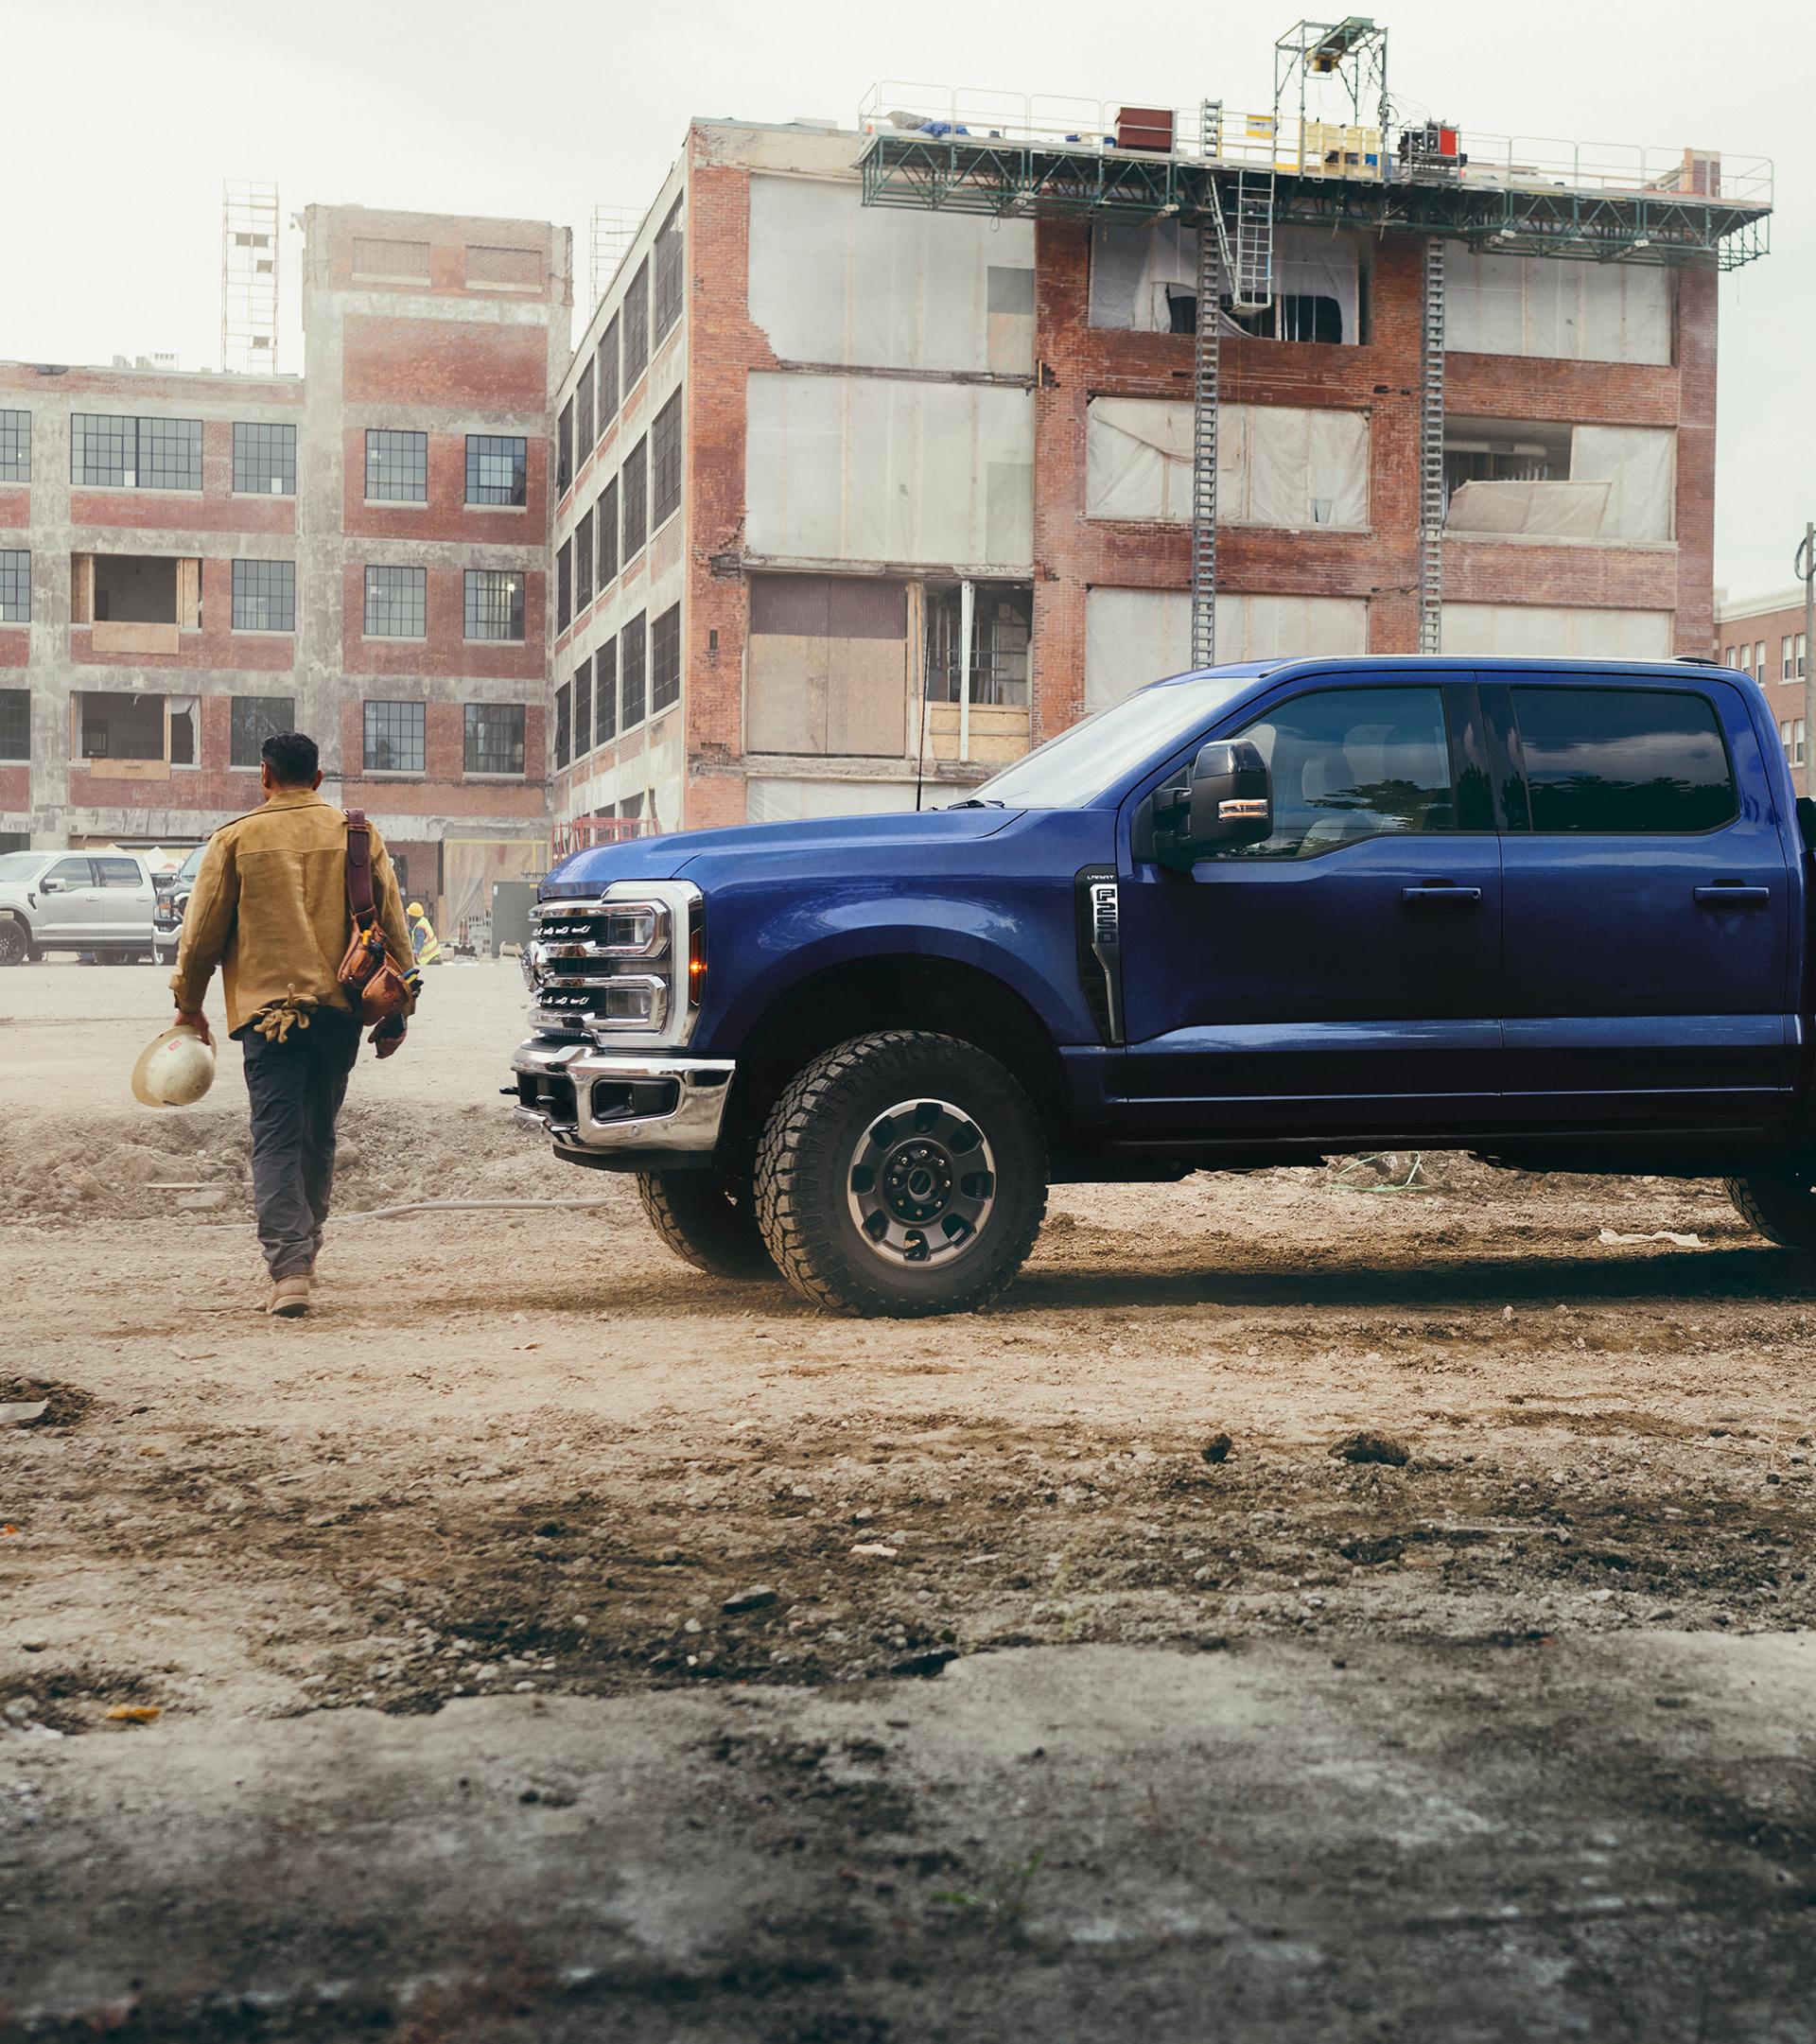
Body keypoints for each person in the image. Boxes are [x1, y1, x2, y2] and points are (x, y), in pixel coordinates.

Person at [168, 730, 419, 1318]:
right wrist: (400, 1010)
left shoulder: (235, 839)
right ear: (318, 779)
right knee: (318, 1134)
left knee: (276, 1137)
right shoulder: (358, 835)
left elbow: (201, 935)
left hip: (269, 1019)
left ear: (264, 776)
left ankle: (290, 1269)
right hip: (339, 1014)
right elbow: (394, 929)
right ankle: (305, 1250)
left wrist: (189, 1004)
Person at [406, 900, 444, 965]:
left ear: (412, 917)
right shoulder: (423, 921)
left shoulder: (419, 928)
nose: (408, 917)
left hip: (429, 959)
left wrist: (415, 951)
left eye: (409, 915)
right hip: (435, 955)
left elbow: (419, 941)